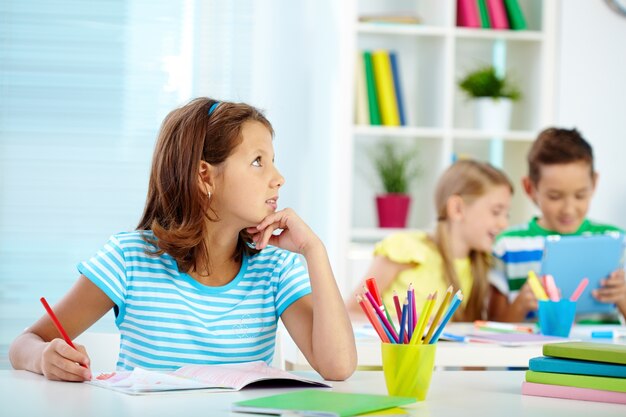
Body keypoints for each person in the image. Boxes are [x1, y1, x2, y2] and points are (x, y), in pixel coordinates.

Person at [9, 97, 357, 382]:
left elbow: (337, 366)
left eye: (273, 162)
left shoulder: (275, 268)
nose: (278, 178)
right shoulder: (130, 259)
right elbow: (25, 342)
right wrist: (43, 358)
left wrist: (315, 251)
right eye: (257, 162)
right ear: (205, 175)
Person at [347, 159, 513, 322]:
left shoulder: (481, 264)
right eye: (496, 212)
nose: (504, 223)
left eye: (507, 215)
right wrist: (407, 323)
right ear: (457, 208)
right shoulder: (406, 249)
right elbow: (351, 313)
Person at [488, 127, 626, 322]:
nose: (568, 209)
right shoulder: (507, 245)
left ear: (594, 183)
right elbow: (492, 326)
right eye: (555, 197)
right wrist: (520, 304)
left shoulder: (617, 243)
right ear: (530, 188)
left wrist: (623, 298)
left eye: (580, 195)